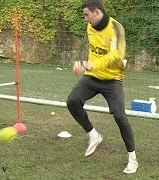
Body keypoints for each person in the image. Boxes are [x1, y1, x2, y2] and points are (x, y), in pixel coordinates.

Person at [66, 0, 138, 174]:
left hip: (112, 80)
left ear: (97, 12)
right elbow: (95, 53)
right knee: (73, 101)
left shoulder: (116, 28)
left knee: (120, 116)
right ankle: (93, 135)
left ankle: (133, 159)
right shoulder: (90, 28)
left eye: (87, 15)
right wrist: (86, 66)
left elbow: (116, 56)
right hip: (92, 77)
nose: (85, 19)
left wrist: (89, 65)